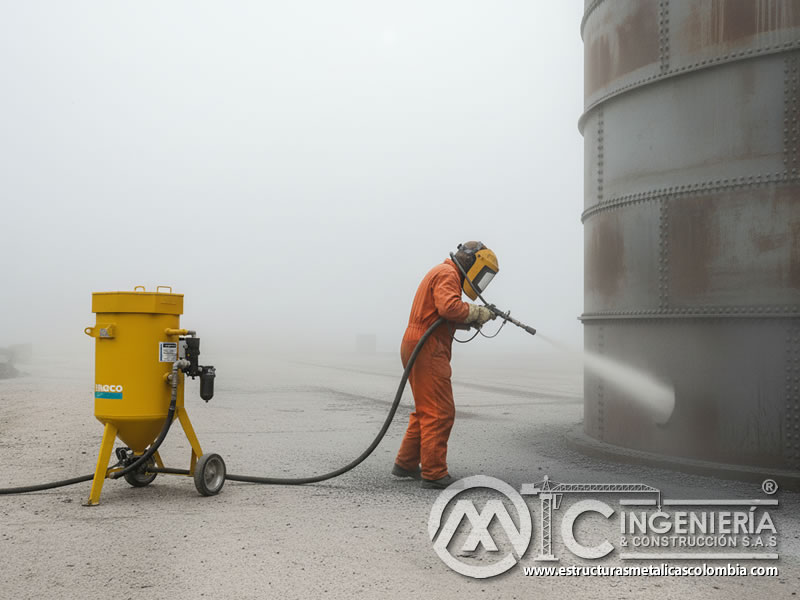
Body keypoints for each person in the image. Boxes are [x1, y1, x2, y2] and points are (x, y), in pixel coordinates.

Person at [392, 241, 499, 489]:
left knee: (426, 409)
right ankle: (434, 473)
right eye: (482, 274)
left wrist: (472, 318)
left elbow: (440, 315)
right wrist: (477, 312)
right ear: (473, 263)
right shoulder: (448, 274)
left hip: (418, 342)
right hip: (427, 347)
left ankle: (406, 463)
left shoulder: (442, 272)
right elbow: (449, 308)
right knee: (440, 411)